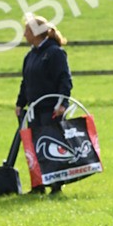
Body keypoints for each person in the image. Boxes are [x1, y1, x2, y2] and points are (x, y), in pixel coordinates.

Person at [15, 15, 73, 194]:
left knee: (52, 147)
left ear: (36, 33)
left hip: (51, 110)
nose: (24, 35)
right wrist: (20, 103)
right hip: (33, 110)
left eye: (27, 31)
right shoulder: (31, 55)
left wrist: (62, 103)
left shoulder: (55, 53)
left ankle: (56, 185)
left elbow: (65, 80)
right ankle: (38, 185)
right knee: (33, 148)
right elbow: (26, 82)